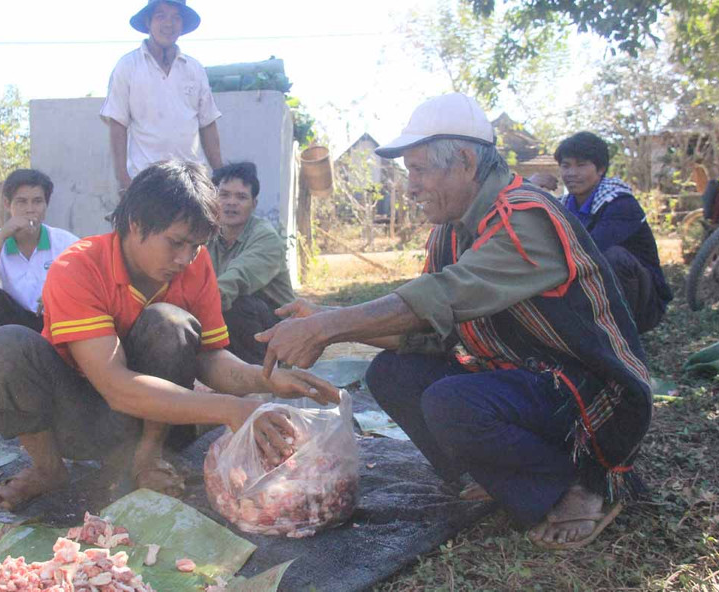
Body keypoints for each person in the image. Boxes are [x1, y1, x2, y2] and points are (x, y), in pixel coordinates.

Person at [256, 93, 653, 550]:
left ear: (464, 161)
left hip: (590, 391)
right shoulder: (453, 228)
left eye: (420, 170)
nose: (411, 187)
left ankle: (578, 485)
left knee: (453, 402)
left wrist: (328, 327)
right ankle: (498, 475)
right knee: (391, 373)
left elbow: (441, 297)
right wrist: (326, 319)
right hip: (523, 376)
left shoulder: (525, 217)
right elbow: (429, 326)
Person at [0, 160, 336, 511]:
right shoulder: (78, 266)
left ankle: (148, 458)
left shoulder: (195, 266)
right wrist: (232, 408)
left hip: (150, 420)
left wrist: (270, 380)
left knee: (169, 322)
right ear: (136, 223)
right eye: (176, 243)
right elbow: (114, 385)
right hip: (75, 419)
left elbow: (210, 358)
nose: (185, 258)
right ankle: (48, 469)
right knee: (6, 344)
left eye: (195, 246)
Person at [100, 0, 223, 204]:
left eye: (176, 17)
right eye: (161, 16)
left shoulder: (194, 69)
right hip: (145, 180)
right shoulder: (128, 66)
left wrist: (220, 174)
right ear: (148, 22)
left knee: (193, 236)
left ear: (182, 25)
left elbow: (208, 123)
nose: (169, 23)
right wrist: (123, 180)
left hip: (192, 182)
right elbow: (117, 124)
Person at [555, 132, 673, 333]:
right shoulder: (564, 205)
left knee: (612, 257)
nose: (572, 173)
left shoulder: (619, 203)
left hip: (644, 303)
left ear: (600, 169)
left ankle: (619, 335)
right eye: (566, 166)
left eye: (581, 165)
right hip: (591, 295)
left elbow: (589, 251)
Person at [0, 169, 79, 333]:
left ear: (45, 204)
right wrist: (2, 236)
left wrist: (55, 294)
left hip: (56, 319)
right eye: (21, 202)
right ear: (7, 204)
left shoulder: (65, 242)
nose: (30, 209)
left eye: (37, 201)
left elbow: (88, 285)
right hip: (13, 321)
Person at [208, 162, 294, 364]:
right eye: (224, 195)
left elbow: (236, 280)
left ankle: (258, 380)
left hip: (280, 332)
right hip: (230, 325)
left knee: (238, 304)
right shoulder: (206, 235)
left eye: (241, 197)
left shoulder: (266, 238)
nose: (231, 202)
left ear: (254, 204)